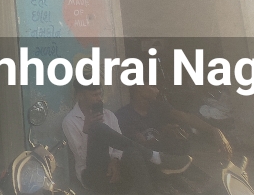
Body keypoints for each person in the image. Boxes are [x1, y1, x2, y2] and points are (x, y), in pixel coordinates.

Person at [63, 80, 192, 194]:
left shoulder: (109, 115)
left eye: (100, 94)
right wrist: (87, 130)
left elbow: (120, 146)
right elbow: (81, 157)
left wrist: (115, 160)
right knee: (98, 128)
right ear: (81, 96)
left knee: (131, 152)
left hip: (114, 169)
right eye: (94, 95)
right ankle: (155, 157)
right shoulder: (70, 121)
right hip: (92, 174)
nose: (99, 99)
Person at [117, 84, 233, 160]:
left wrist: (215, 130)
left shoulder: (158, 106)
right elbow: (143, 148)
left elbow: (185, 117)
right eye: (153, 86)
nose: (157, 90)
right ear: (139, 87)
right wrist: (163, 135)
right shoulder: (124, 116)